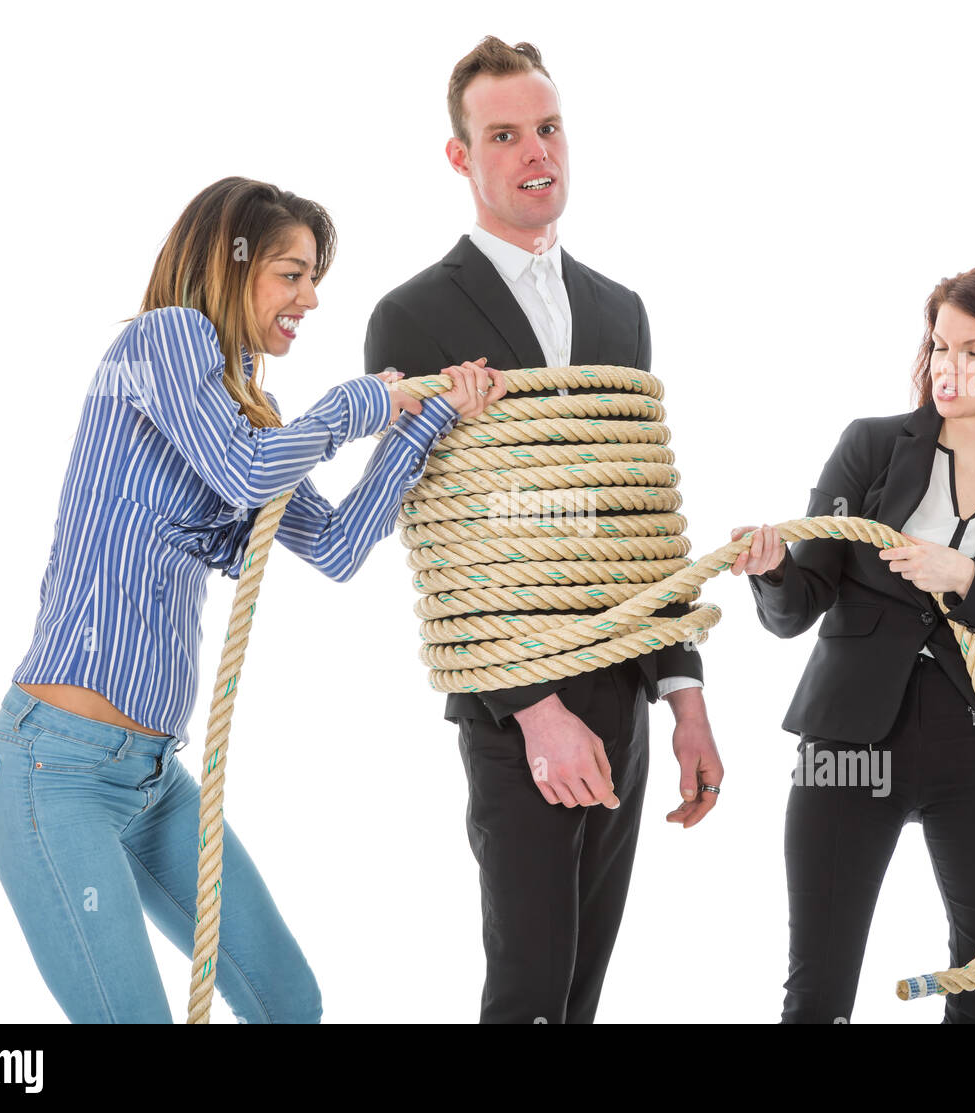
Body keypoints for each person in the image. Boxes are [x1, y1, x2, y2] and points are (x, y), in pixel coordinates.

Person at [0, 176, 505, 1023]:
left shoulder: (245, 411)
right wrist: (365, 400)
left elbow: (334, 548)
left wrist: (418, 425)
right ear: (231, 266)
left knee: (288, 1001)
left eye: (314, 276)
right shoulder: (165, 340)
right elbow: (244, 473)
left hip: (150, 778)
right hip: (53, 771)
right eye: (292, 274)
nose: (312, 296)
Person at [364, 36, 724, 1024]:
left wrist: (683, 698)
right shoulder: (413, 317)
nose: (536, 153)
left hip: (626, 689)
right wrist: (534, 710)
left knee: (577, 995)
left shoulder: (621, 312)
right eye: (505, 134)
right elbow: (440, 534)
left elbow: (639, 519)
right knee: (525, 991)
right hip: (512, 702)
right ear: (461, 157)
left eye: (550, 128)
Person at [731, 264, 975, 1023]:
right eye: (940, 345)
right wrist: (775, 569)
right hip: (846, 748)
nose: (947, 367)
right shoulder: (871, 446)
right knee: (816, 995)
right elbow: (793, 613)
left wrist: (969, 579)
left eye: (974, 352)